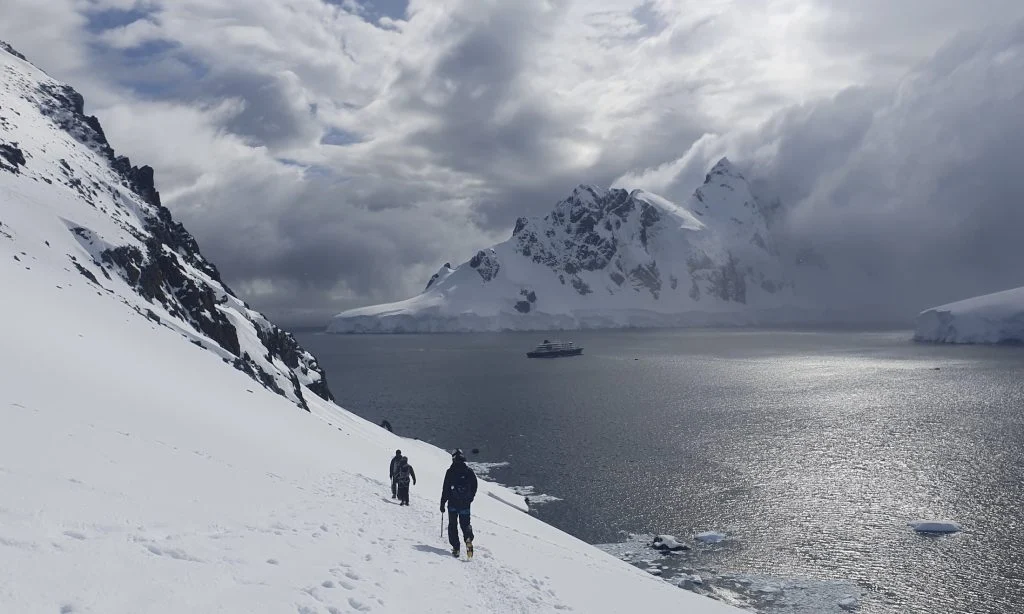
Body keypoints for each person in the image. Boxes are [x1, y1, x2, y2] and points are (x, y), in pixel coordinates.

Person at [440, 448, 478, 558]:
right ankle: (468, 540)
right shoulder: (468, 471)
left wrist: (442, 503)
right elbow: (474, 485)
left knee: (453, 525)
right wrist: (470, 498)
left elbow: (445, 488)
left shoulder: (450, 471)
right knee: (465, 524)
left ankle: (456, 548)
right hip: (465, 504)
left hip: (452, 503)